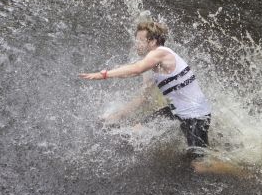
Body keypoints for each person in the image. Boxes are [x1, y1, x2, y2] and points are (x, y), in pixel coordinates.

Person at [79, 21, 213, 162]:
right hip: (177, 111)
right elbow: (142, 96)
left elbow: (136, 69)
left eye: (140, 40)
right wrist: (118, 116)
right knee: (138, 129)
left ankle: (237, 168)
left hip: (195, 116)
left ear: (153, 41)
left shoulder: (161, 53)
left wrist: (104, 74)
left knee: (200, 165)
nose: (136, 44)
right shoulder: (154, 65)